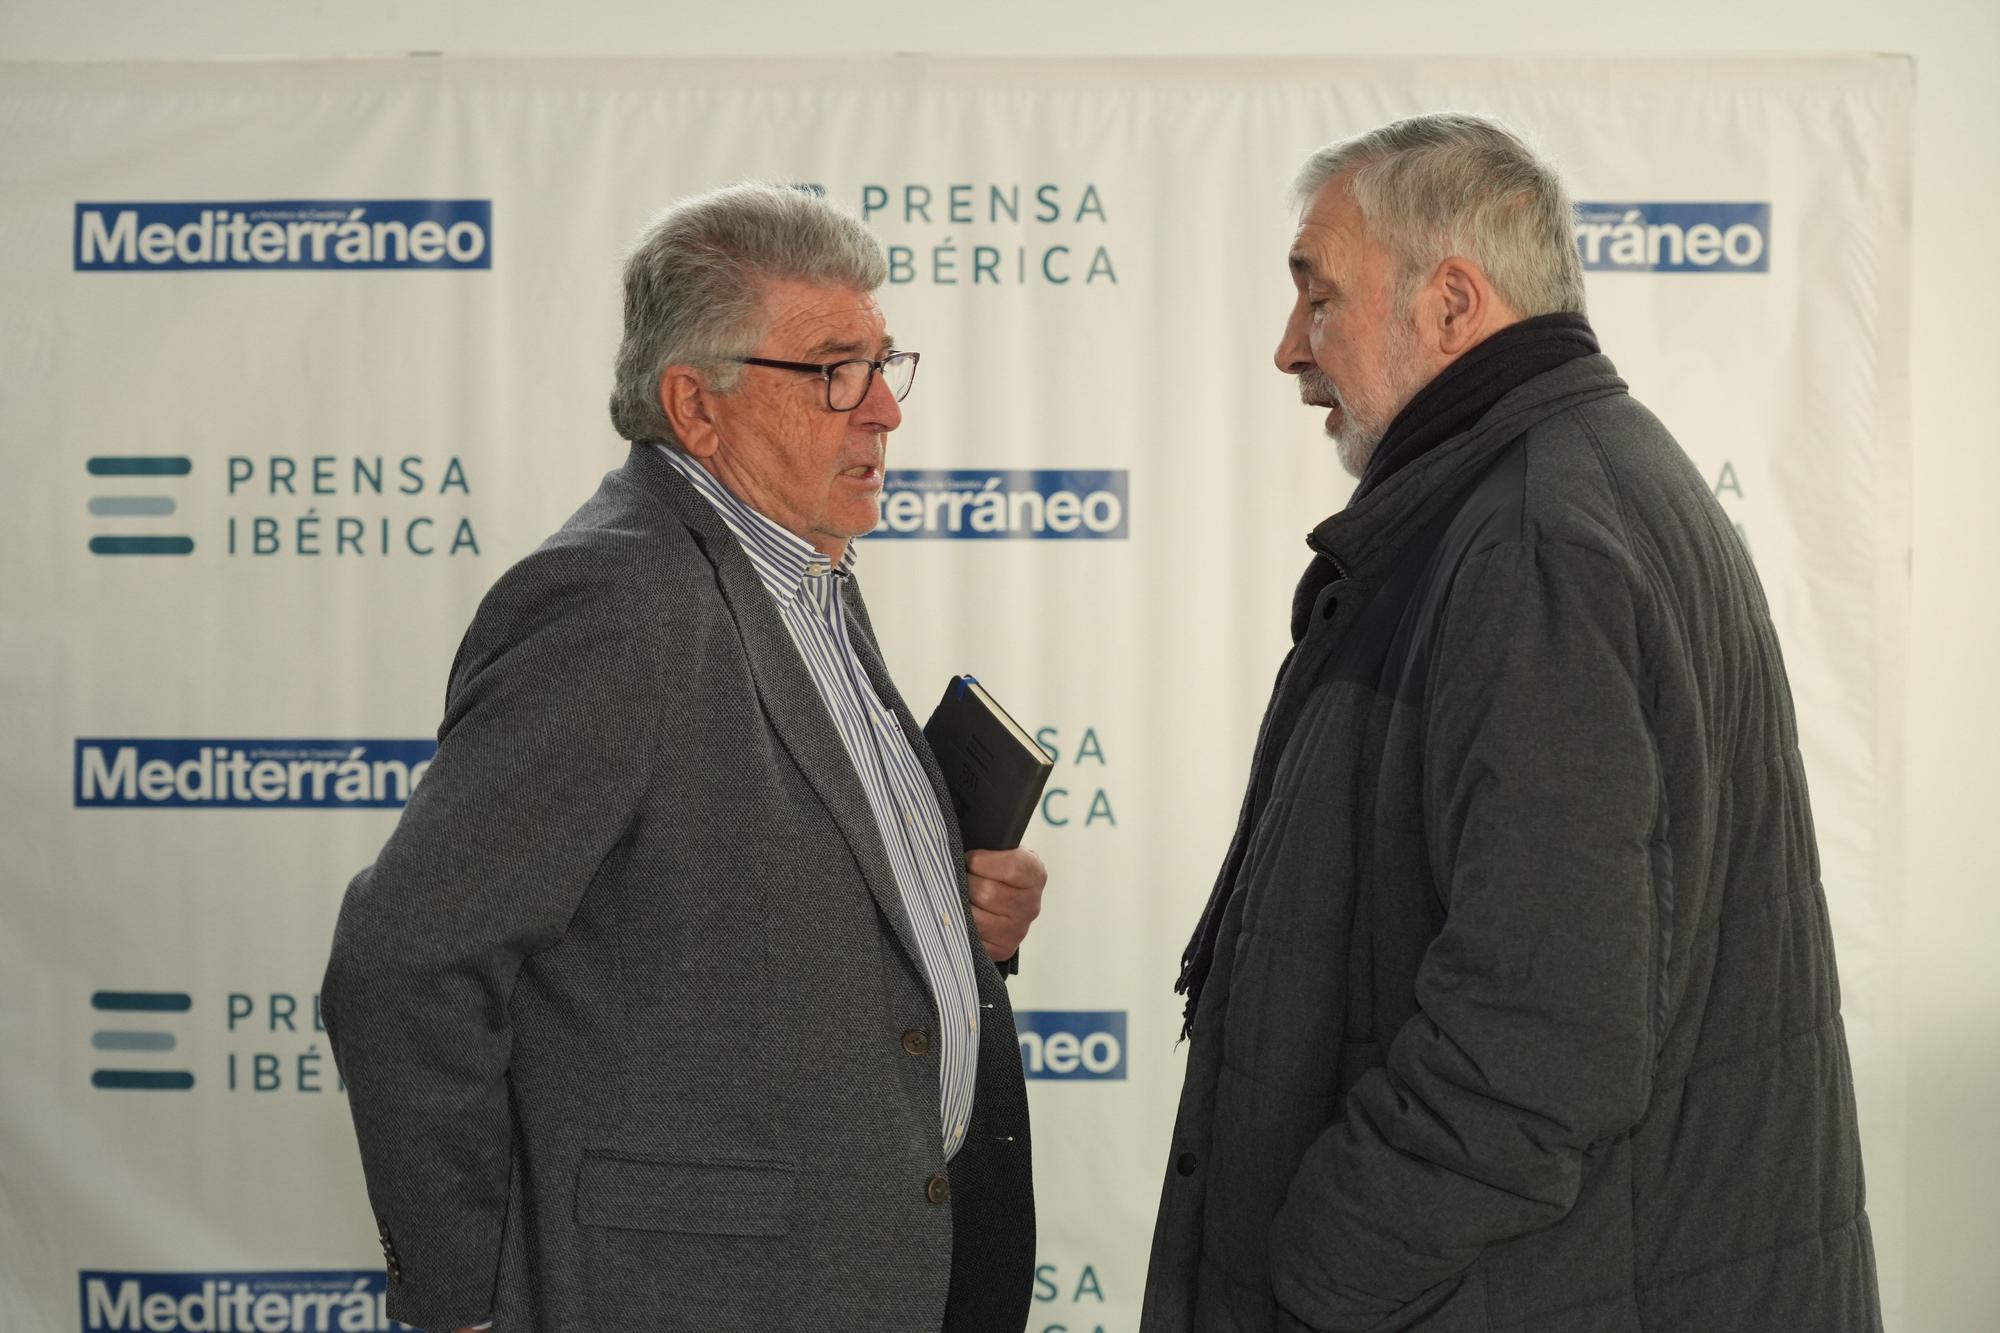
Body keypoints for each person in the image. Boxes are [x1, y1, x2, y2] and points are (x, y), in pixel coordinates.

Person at [1143, 114, 1880, 1332]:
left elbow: (1542, 1033)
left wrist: (1319, 1272)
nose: (1287, 348)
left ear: (1449, 304)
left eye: (1317, 297)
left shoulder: (1534, 538)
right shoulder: (1568, 487)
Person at [322, 182, 1045, 1333]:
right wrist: (463, 1301)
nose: (882, 412)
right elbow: (405, 960)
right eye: (832, 372)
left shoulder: (798, 565)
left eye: (881, 365)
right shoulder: (615, 601)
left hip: (877, 1265)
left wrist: (958, 923)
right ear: (695, 408)